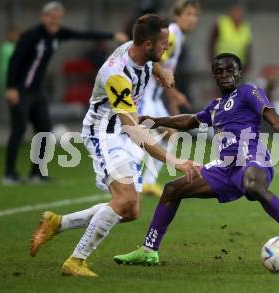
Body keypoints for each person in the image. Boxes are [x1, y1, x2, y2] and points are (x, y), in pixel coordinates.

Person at [113, 53, 279, 266]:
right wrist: (147, 120)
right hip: (225, 168)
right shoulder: (215, 106)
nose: (225, 74)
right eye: (219, 71)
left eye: (230, 70)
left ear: (240, 73)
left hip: (252, 159)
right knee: (171, 190)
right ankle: (149, 250)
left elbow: (276, 121)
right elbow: (188, 121)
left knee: (253, 186)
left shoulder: (248, 92)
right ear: (213, 76)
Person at [29, 14, 199, 277]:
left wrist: (160, 69)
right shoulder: (117, 75)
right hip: (104, 134)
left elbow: (147, 37)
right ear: (146, 44)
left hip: (120, 130)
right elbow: (135, 131)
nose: (167, 47)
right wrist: (174, 161)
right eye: (164, 43)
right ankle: (75, 261)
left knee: (130, 211)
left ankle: (57, 223)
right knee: (126, 199)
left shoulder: (141, 52)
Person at [3, 1, 128, 185]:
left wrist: (112, 35)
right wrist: (11, 87)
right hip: (21, 91)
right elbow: (14, 60)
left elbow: (83, 35)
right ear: (44, 17)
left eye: (58, 18)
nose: (55, 21)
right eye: (51, 17)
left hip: (38, 92)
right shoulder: (31, 36)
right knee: (19, 130)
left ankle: (37, 173)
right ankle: (9, 174)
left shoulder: (58, 34)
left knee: (44, 130)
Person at [140, 0, 200, 197]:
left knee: (169, 134)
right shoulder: (172, 35)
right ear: (177, 16)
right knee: (142, 138)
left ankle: (147, 183)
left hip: (155, 97)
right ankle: (132, 181)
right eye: (188, 14)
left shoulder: (177, 36)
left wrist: (173, 101)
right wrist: (175, 93)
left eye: (195, 15)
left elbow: (166, 71)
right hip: (145, 95)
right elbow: (158, 63)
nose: (192, 19)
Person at [209, 3, 252, 74]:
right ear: (230, 12)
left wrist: (247, 66)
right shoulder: (222, 23)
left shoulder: (245, 27)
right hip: (221, 64)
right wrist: (212, 60)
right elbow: (211, 42)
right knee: (222, 83)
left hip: (238, 65)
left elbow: (248, 48)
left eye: (240, 12)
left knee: (236, 84)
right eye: (236, 12)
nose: (238, 15)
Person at [0, 25, 21, 94]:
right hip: (9, 79)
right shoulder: (5, 47)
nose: (15, 36)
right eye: (13, 34)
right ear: (8, 34)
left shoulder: (16, 46)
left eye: (17, 34)